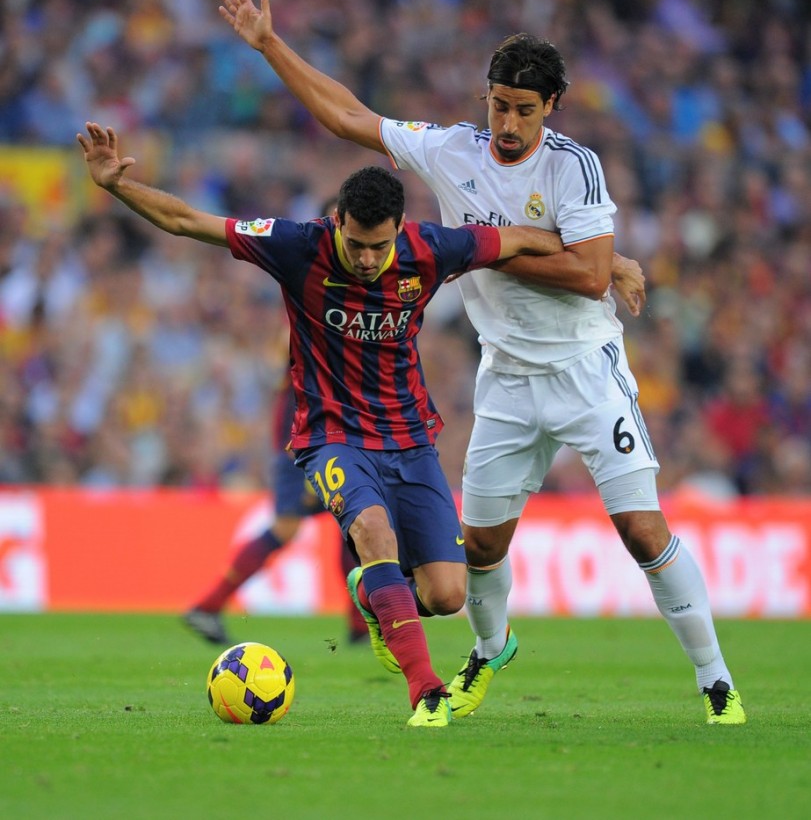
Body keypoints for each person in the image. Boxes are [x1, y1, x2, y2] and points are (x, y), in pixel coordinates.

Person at [216, 0, 745, 725]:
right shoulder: (450, 150)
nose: (508, 122)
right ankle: (488, 653)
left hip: (585, 370)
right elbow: (347, 116)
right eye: (498, 104)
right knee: (482, 550)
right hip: (505, 379)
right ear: (485, 98)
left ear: (550, 106)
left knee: (642, 530)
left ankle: (716, 682)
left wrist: (477, 251)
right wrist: (270, 44)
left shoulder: (573, 166)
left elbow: (590, 275)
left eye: (524, 109)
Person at [77, 121, 566, 727]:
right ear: (337, 221)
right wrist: (116, 186)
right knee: (372, 532)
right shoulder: (297, 245)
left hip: (410, 439)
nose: (366, 259)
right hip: (331, 435)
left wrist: (608, 259)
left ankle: (372, 594)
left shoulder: (432, 249)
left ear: (399, 230)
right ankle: (426, 691)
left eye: (378, 247)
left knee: (446, 595)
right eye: (355, 243)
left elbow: (516, 239)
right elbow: (187, 221)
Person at [183, 198, 369, 647]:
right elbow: (283, 362)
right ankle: (207, 605)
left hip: (332, 431)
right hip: (304, 435)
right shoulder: (311, 290)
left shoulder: (349, 294)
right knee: (300, 524)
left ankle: (359, 627)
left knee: (353, 523)